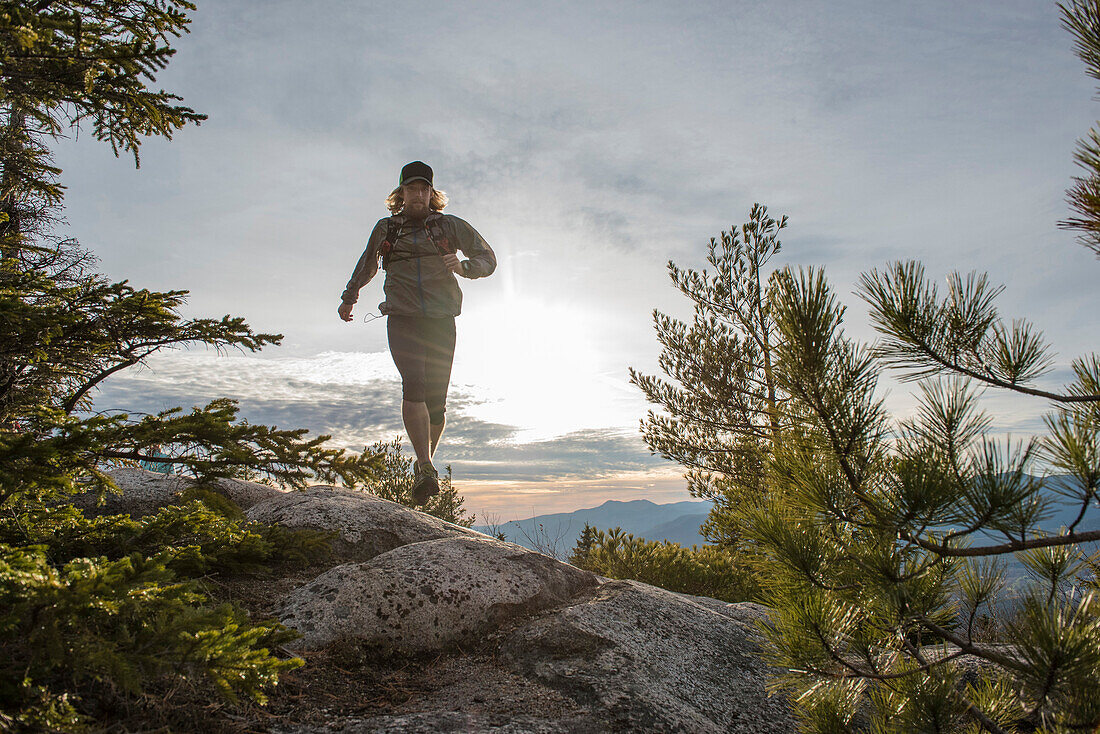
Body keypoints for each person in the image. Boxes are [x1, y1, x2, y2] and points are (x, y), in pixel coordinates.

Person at [338, 161, 496, 504]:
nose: (418, 195)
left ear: (432, 194)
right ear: (401, 193)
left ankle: (426, 464)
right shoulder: (386, 229)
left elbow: (488, 258)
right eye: (412, 189)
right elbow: (366, 265)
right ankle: (424, 466)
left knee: (437, 403)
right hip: (403, 316)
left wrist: (465, 267)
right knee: (415, 383)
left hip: (441, 318)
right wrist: (349, 298)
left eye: (424, 189)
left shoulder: (449, 226)